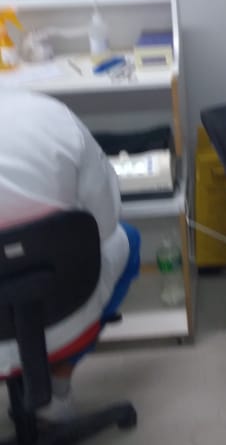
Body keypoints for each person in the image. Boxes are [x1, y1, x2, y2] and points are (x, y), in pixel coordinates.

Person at [0, 89, 140, 419]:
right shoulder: (52, 117)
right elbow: (105, 225)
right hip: (63, 312)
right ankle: (59, 386)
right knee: (128, 239)